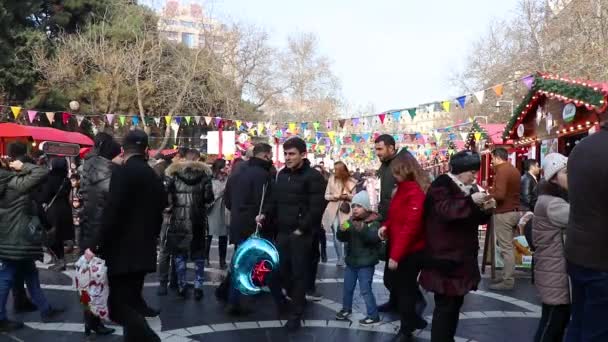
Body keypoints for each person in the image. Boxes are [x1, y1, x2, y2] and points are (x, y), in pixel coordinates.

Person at [87, 130, 167, 342]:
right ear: (147, 150)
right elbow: (163, 205)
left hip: (121, 250)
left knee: (115, 306)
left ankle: (149, 339)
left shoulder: (122, 173)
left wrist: (95, 245)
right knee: (131, 302)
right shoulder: (152, 175)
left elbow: (112, 212)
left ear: (123, 150)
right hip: (144, 248)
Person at [419, 151, 493, 342]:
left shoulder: (471, 187)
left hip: (462, 258)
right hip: (444, 258)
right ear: (460, 171)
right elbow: (447, 212)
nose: (475, 176)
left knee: (455, 305)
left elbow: (471, 217)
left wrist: (486, 209)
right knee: (445, 307)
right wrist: (470, 201)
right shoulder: (441, 185)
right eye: (472, 172)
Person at [259, 137, 326, 331]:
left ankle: (295, 314)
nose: (287, 158)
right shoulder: (281, 174)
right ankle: (293, 300)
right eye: (285, 154)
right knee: (277, 272)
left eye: (292, 154)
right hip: (282, 232)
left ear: (303, 155)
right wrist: (264, 214)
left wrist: (302, 229)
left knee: (298, 274)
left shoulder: (313, 176)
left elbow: (317, 207)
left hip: (301, 234)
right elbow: (274, 200)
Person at [0, 142, 64, 332]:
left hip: (10, 235)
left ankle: (46, 309)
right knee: (7, 275)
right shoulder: (14, 183)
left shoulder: (8, 182)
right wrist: (22, 166)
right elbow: (41, 173)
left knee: (30, 273)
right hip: (18, 237)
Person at [378, 151, 429, 341]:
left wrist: (396, 256)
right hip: (398, 244)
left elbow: (411, 226)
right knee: (392, 282)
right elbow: (395, 216)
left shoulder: (415, 191)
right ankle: (414, 318)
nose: (394, 176)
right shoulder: (401, 189)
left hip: (410, 249)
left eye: (397, 172)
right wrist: (386, 227)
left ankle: (407, 326)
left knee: (404, 289)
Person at [565, 120, 608, 342]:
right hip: (602, 257)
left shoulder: (581, 147)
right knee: (597, 330)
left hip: (577, 250)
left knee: (578, 321)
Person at [219, 143, 274, 315]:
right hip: (256, 225)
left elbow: (227, 200)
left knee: (240, 261)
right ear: (265, 155)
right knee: (249, 264)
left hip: (238, 223)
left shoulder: (236, 174)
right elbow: (268, 203)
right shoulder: (265, 175)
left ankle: (230, 295)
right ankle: (238, 300)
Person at [79, 132, 121, 336]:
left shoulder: (86, 166)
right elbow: (115, 206)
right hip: (103, 231)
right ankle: (96, 319)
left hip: (87, 228)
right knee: (101, 279)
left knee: (88, 281)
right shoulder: (113, 172)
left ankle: (90, 319)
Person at [164, 149, 214, 300]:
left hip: (178, 219)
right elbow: (208, 197)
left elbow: (167, 197)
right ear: (198, 159)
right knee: (199, 254)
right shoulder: (205, 176)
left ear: (183, 158)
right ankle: (198, 286)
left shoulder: (173, 175)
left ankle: (181, 285)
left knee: (180, 254)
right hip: (198, 219)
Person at [532, 153, 570, 342]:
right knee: (553, 323)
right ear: (554, 177)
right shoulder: (553, 203)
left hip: (551, 269)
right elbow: (580, 217)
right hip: (555, 272)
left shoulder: (547, 199)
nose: (570, 176)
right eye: (566, 172)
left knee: (553, 320)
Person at [335, 190, 381, 326]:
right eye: (353, 206)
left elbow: (373, 238)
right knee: (347, 287)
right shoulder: (350, 221)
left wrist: (362, 228)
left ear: (366, 208)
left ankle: (373, 316)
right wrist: (341, 230)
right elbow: (342, 237)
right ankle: (346, 308)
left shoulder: (373, 222)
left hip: (366, 263)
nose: (355, 209)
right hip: (352, 262)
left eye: (359, 206)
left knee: (365, 289)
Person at [374, 134, 407, 313]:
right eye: (376, 149)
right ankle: (395, 302)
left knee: (396, 273)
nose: (377, 153)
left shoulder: (400, 164)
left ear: (391, 148)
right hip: (389, 223)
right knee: (390, 273)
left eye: (380, 149)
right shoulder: (386, 165)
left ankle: (412, 304)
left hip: (400, 225)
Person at [488, 147, 521, 291]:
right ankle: (507, 275)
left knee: (506, 248)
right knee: (509, 247)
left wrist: (488, 193)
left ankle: (508, 280)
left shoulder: (501, 171)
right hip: (514, 211)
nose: (492, 162)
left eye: (492, 158)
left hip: (504, 212)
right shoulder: (514, 170)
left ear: (497, 157)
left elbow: (500, 195)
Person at [39, 158, 74, 271]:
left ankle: (59, 260)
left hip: (53, 211)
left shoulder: (49, 179)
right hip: (65, 210)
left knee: (52, 237)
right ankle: (61, 260)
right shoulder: (66, 180)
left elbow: (44, 196)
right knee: (60, 236)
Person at [321, 161, 357, 267]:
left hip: (346, 211)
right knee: (336, 234)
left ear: (342, 170)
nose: (334, 171)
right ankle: (339, 258)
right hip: (333, 211)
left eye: (336, 169)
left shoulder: (351, 181)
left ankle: (346, 255)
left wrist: (346, 197)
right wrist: (334, 197)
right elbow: (326, 195)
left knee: (346, 232)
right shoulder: (331, 180)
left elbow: (354, 197)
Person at [206, 159, 229, 270]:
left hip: (223, 209)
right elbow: (213, 194)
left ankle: (222, 260)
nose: (227, 168)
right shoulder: (210, 179)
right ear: (219, 168)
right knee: (209, 235)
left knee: (223, 236)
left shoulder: (228, 179)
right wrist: (224, 188)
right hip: (212, 209)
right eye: (225, 166)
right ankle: (206, 257)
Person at [313, 165, 328, 263]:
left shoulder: (325, 183)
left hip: (323, 210)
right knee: (314, 234)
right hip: (312, 211)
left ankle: (323, 252)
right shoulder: (308, 183)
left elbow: (327, 198)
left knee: (322, 234)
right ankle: (316, 254)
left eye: (319, 172)